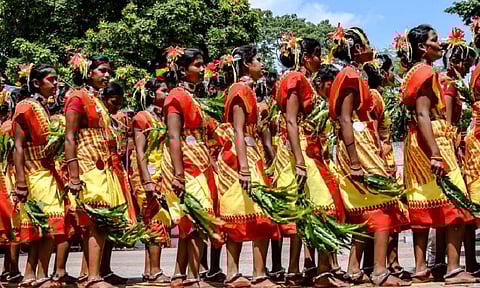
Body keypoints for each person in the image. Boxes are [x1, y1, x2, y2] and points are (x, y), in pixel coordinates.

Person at [329, 26, 410, 286]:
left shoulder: (353, 74)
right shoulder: (350, 76)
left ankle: (354, 269)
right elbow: (344, 118)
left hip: (360, 142)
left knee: (365, 208)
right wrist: (354, 161)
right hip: (357, 144)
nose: (370, 50)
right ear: (356, 49)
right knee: (383, 205)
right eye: (366, 46)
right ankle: (378, 271)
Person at [398, 24, 476, 285]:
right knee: (458, 201)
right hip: (433, 138)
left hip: (417, 140)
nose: (439, 44)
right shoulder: (425, 72)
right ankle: (454, 269)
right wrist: (435, 153)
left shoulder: (412, 72)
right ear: (423, 47)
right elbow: (422, 113)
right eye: (434, 40)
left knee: (424, 200)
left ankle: (421, 268)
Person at [275, 34, 347, 287]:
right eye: (318, 55)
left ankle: (298, 271)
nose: (321, 59)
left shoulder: (304, 80)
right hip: (303, 151)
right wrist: (298, 160)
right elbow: (291, 121)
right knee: (322, 207)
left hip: (312, 150)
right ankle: (322, 271)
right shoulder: (295, 79)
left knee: (307, 211)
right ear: (307, 58)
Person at [64, 56, 134, 288]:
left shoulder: (95, 99)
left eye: (108, 72)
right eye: (101, 71)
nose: (106, 76)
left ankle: (90, 275)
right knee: (95, 220)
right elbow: (70, 136)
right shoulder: (77, 97)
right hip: (87, 164)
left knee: (101, 222)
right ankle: (93, 277)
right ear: (88, 72)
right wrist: (74, 174)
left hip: (102, 164)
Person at [216, 45, 280, 288]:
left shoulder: (248, 90)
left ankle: (254, 273)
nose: (262, 64)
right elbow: (238, 131)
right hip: (240, 156)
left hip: (251, 154)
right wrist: (243, 167)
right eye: (258, 60)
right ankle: (238, 273)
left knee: (254, 214)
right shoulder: (240, 91)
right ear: (245, 65)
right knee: (242, 212)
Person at [160, 48, 217, 287]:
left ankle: (179, 275)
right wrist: (179, 174)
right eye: (198, 65)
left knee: (191, 219)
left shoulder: (193, 97)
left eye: (203, 65)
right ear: (183, 70)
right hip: (183, 162)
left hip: (198, 160)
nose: (203, 69)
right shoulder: (175, 96)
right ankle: (193, 276)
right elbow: (173, 137)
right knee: (197, 217)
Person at [12, 64, 65, 288]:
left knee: (45, 229)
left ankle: (33, 276)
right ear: (35, 83)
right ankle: (37, 275)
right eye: (50, 80)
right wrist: (21, 180)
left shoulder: (45, 108)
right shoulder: (25, 107)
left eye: (56, 80)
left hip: (47, 172)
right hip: (35, 174)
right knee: (49, 226)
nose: (55, 84)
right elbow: (18, 146)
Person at [364, 54, 411, 281]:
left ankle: (392, 262)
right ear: (383, 73)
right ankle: (384, 264)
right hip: (379, 157)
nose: (392, 75)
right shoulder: (373, 96)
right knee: (387, 211)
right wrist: (379, 160)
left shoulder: (378, 95)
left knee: (394, 213)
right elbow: (371, 130)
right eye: (390, 70)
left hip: (386, 156)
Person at [132, 77, 171, 284]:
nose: (167, 94)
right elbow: (140, 151)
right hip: (147, 173)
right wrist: (147, 180)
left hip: (162, 172)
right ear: (151, 94)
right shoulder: (142, 117)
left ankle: (149, 270)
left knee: (156, 220)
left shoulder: (162, 117)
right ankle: (155, 270)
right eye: (163, 91)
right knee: (156, 218)